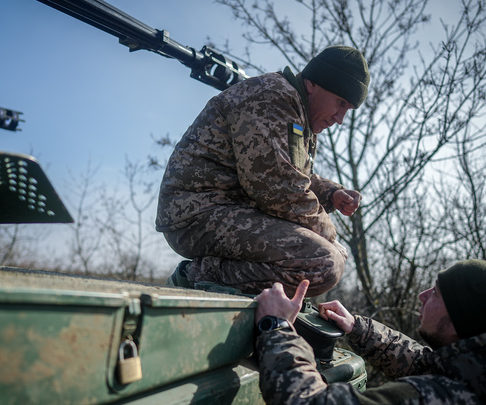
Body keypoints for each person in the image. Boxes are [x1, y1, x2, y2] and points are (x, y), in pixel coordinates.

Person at [156, 46, 370, 297]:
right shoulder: (272, 98)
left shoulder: (298, 112)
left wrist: (331, 193)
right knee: (323, 262)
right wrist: (330, 236)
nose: (340, 118)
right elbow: (277, 189)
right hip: (196, 213)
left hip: (227, 208)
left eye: (348, 109)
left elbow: (287, 175)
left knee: (325, 257)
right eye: (340, 103)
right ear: (313, 84)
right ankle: (196, 277)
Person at [253, 259, 486, 404]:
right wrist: (358, 328)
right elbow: (429, 364)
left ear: (461, 320)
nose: (422, 295)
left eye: (437, 294)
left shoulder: (437, 399)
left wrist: (276, 326)